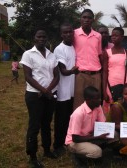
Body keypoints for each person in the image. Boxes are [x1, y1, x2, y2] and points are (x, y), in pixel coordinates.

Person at [20, 28, 59, 167]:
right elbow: (28, 77)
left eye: (44, 37)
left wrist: (47, 91)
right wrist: (43, 90)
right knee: (34, 125)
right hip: (34, 95)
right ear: (34, 38)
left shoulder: (51, 55)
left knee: (47, 124)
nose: (42, 39)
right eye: (39, 37)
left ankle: (47, 150)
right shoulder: (28, 54)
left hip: (49, 95)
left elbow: (57, 76)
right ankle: (32, 156)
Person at [65, 86, 109, 167]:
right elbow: (75, 138)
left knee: (112, 137)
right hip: (74, 142)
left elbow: (103, 123)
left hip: (89, 136)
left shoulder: (97, 107)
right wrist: (96, 137)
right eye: (97, 98)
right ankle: (78, 156)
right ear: (88, 100)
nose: (100, 100)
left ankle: (92, 154)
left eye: (99, 97)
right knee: (97, 151)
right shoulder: (78, 113)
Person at [53, 23, 79, 157]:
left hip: (72, 91)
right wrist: (73, 70)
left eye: (70, 32)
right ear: (61, 34)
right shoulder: (59, 49)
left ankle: (65, 141)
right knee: (60, 120)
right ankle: (57, 145)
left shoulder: (73, 47)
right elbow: (63, 71)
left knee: (69, 118)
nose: (68, 34)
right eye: (65, 32)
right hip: (63, 92)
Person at [73, 9, 103, 110]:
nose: (86, 20)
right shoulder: (74, 34)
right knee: (79, 105)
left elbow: (99, 54)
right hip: (81, 74)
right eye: (84, 17)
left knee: (95, 104)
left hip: (96, 75)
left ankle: (94, 125)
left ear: (93, 20)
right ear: (80, 19)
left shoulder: (98, 36)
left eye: (89, 18)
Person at [102, 27, 127, 113]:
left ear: (122, 37)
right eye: (112, 35)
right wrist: (104, 90)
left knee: (124, 109)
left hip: (125, 84)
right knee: (111, 110)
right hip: (110, 85)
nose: (113, 37)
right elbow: (104, 72)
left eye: (116, 35)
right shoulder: (107, 52)